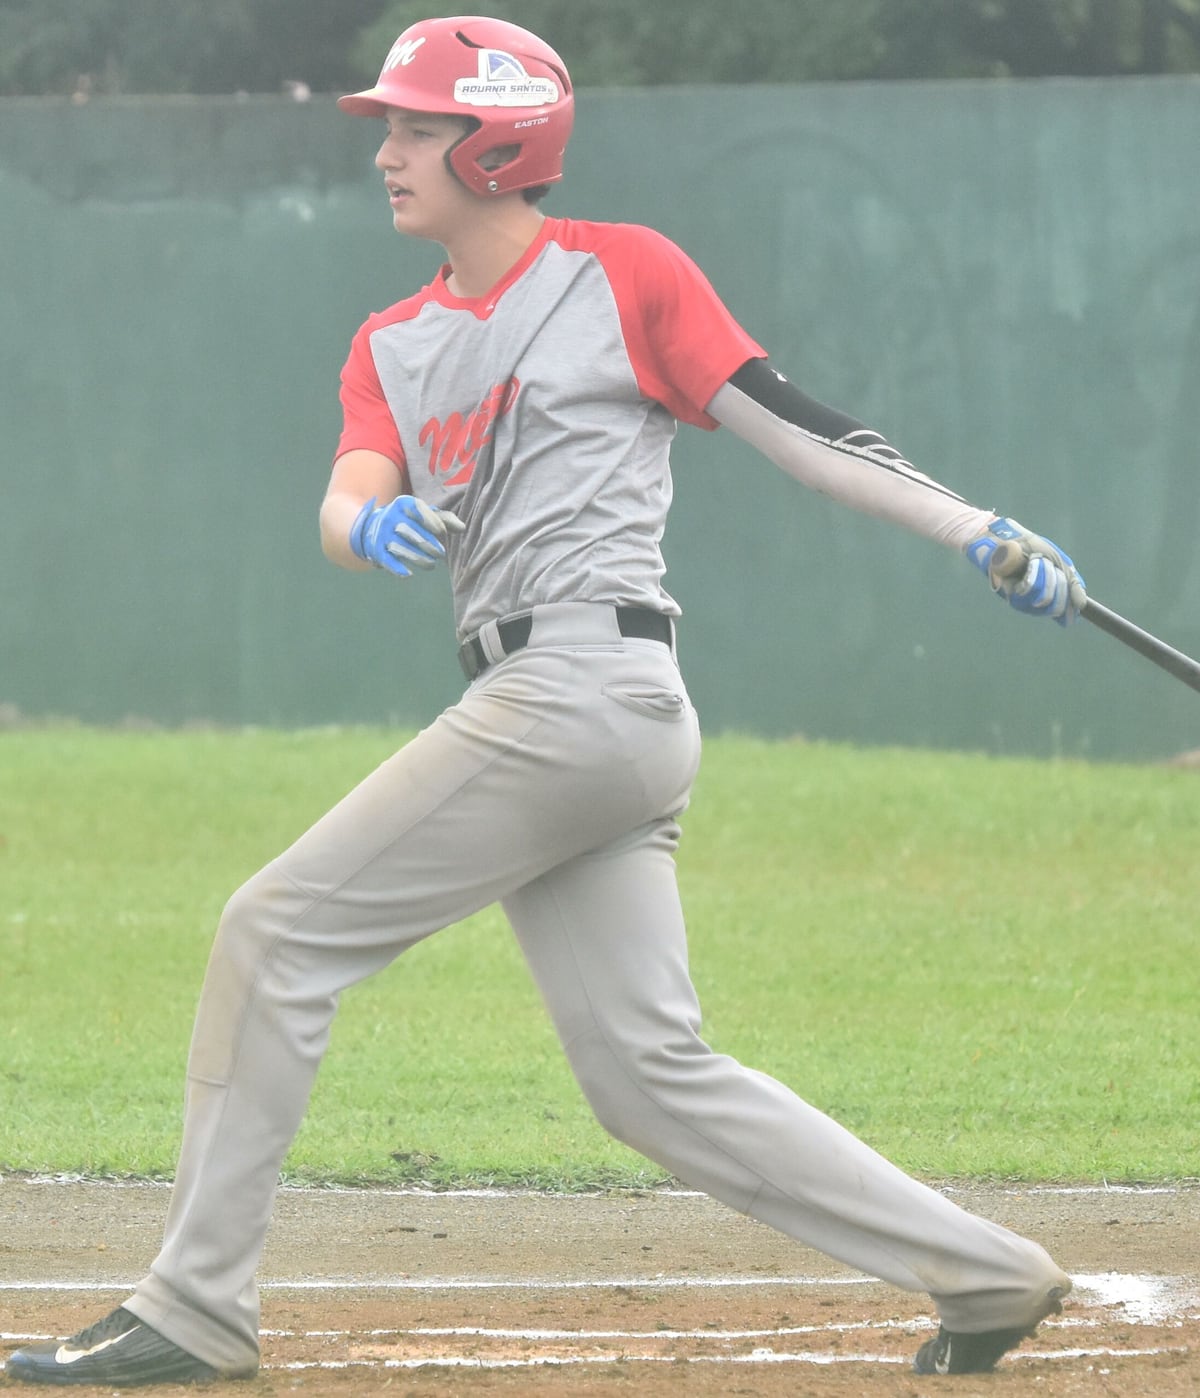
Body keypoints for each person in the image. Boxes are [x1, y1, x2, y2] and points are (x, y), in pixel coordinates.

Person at [5, 15, 1085, 1386]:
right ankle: (990, 1274)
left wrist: (978, 528)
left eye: (416, 127)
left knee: (272, 935)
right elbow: (344, 501)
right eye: (390, 129)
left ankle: (194, 1309)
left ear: (498, 143)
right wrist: (365, 528)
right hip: (571, 713)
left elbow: (804, 434)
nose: (387, 152)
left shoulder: (621, 272)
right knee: (646, 1076)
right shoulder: (391, 340)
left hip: (584, 689)